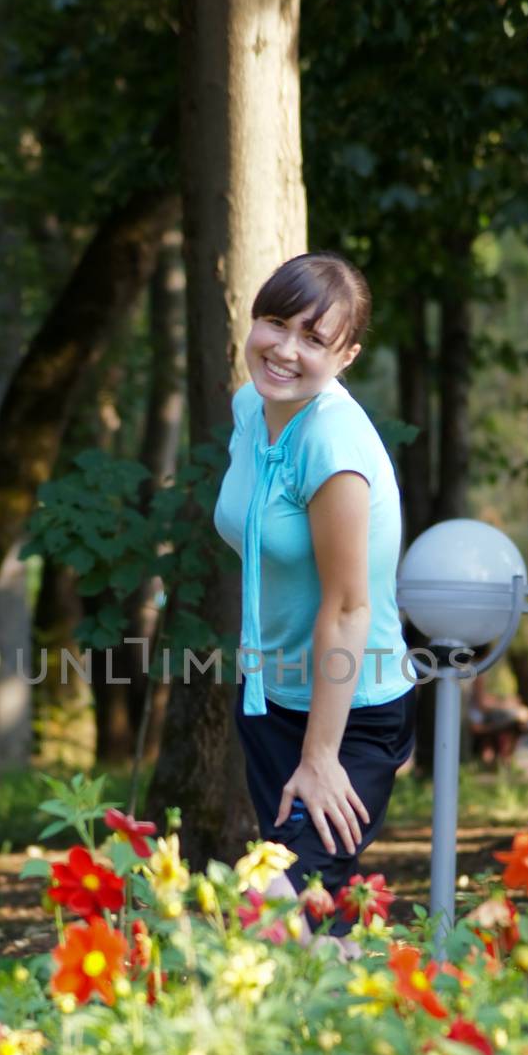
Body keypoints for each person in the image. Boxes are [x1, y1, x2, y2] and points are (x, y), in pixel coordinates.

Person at [213, 252, 415, 911]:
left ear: (347, 355)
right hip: (269, 704)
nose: (284, 350)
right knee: (316, 918)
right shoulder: (252, 408)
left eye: (313, 337)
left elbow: (350, 607)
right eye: (275, 323)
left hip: (349, 716)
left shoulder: (332, 445)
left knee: (273, 900)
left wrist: (322, 756)